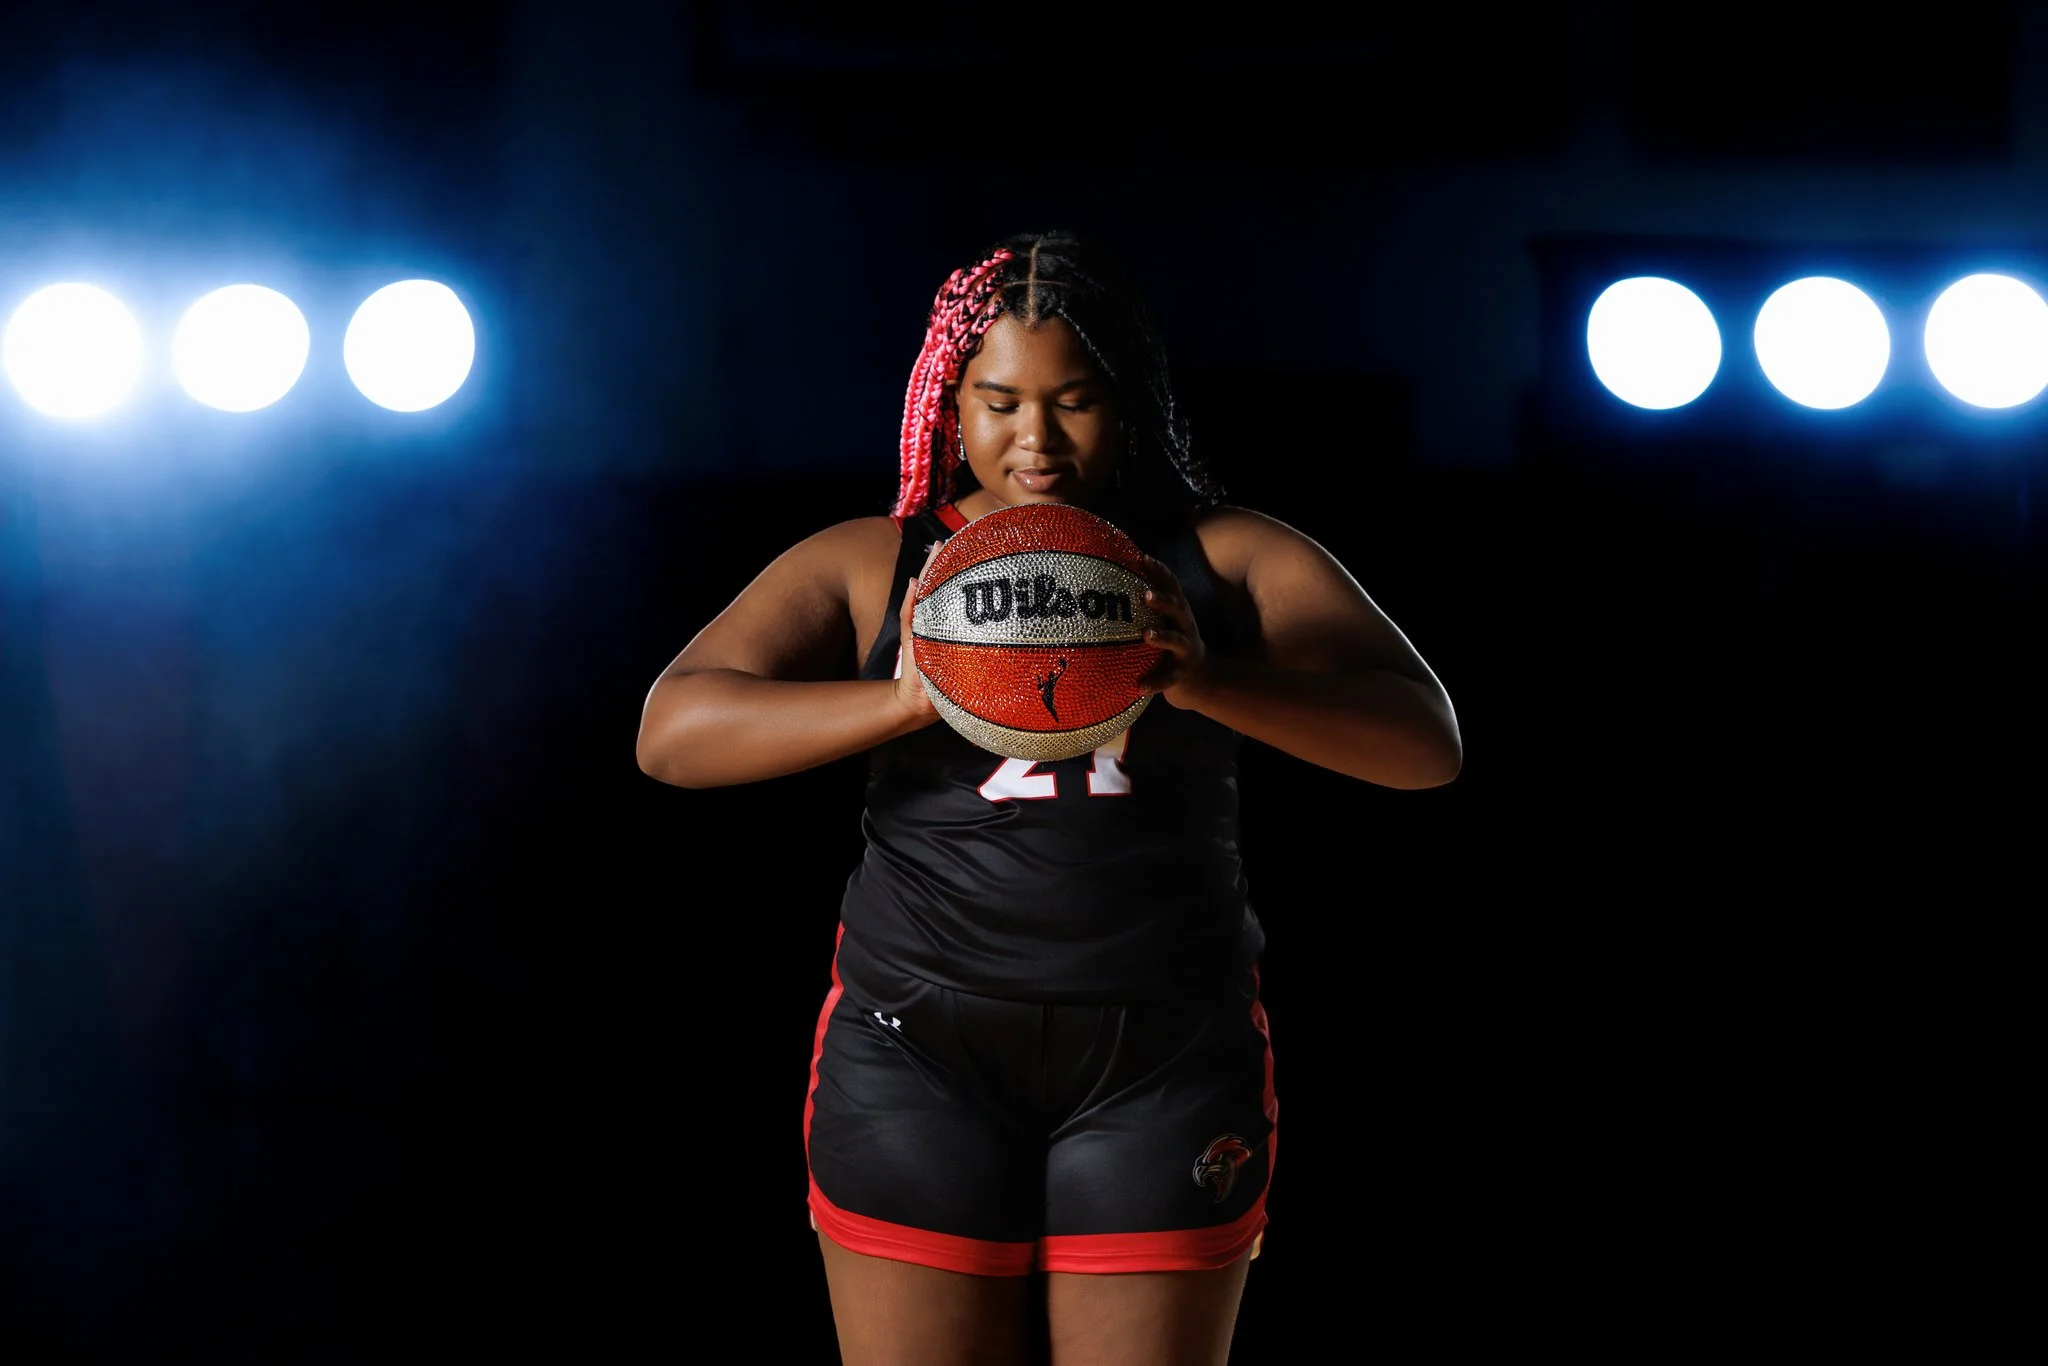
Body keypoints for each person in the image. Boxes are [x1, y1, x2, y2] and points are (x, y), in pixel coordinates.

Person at [636, 229, 1461, 1365]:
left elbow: (1425, 744)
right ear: (947, 403)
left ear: (1128, 402)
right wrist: (902, 702)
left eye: (1074, 401)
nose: (1036, 437)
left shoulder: (1221, 557)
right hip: (916, 1042)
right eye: (1000, 402)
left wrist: (1208, 682)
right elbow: (671, 733)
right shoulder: (879, 563)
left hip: (1163, 1050)